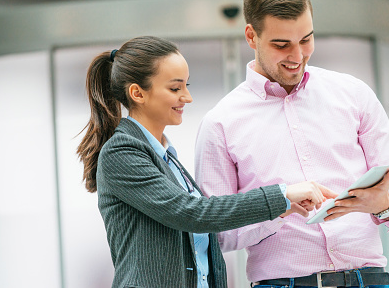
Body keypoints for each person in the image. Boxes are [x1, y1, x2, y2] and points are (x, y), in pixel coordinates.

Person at [195, 0, 389, 288]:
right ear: (251, 36)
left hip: (368, 279)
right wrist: (279, 206)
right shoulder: (220, 124)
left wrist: (384, 203)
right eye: (281, 44)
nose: (297, 57)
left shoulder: (354, 94)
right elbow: (216, 233)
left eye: (306, 39)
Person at [76, 36, 336, 288]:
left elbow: (203, 224)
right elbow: (193, 213)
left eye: (187, 86)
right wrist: (281, 194)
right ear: (137, 93)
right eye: (175, 88)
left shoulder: (168, 160)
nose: (187, 97)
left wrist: (281, 207)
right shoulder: (122, 152)